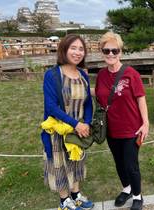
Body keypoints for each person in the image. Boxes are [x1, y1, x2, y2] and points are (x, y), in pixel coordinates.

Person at [95, 32, 149, 210]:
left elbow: (141, 98)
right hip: (111, 129)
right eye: (106, 50)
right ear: (101, 52)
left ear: (120, 52)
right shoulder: (101, 75)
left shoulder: (130, 73)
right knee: (118, 162)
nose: (110, 54)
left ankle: (137, 195)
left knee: (131, 164)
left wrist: (145, 123)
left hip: (131, 128)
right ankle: (126, 189)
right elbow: (100, 100)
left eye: (114, 50)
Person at [41, 34, 94, 210]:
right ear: (64, 49)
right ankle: (64, 200)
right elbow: (51, 106)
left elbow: (87, 103)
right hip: (59, 130)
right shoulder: (52, 75)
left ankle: (76, 194)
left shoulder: (83, 75)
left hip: (78, 130)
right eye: (73, 48)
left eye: (81, 49)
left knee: (76, 161)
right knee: (60, 164)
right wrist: (75, 124)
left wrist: (85, 123)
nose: (77, 52)